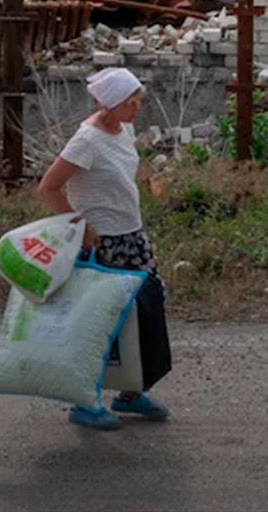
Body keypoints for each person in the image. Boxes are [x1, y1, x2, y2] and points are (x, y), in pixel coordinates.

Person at [35, 66, 172, 431]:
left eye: (139, 101)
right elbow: (48, 187)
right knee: (100, 323)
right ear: (110, 104)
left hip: (133, 238)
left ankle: (131, 392)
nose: (137, 109)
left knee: (144, 317)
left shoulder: (123, 129)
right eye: (130, 103)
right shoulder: (86, 140)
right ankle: (84, 401)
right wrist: (81, 226)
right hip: (102, 243)